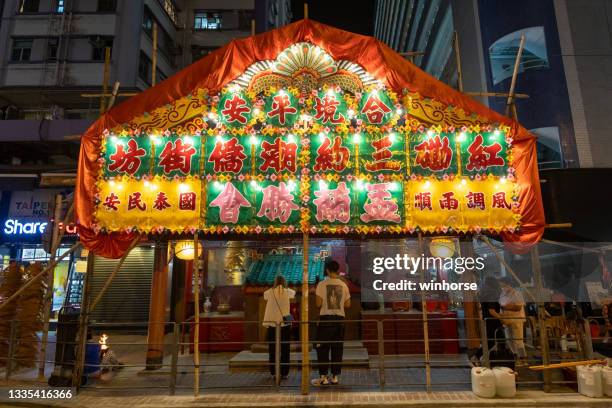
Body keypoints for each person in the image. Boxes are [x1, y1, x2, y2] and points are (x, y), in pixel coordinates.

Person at [312, 259, 350, 386]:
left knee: (322, 348)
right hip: (339, 320)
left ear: (327, 270)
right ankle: (335, 376)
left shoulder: (322, 284)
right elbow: (348, 304)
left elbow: (318, 304)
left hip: (326, 320)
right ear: (337, 270)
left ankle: (323, 377)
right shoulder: (344, 285)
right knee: (337, 348)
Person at [263, 275, 295, 379]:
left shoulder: (269, 292)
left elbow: (264, 296)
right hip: (284, 324)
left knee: (273, 349)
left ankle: (274, 372)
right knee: (285, 349)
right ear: (284, 282)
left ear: (275, 282)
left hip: (272, 325)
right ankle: (284, 372)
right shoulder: (288, 292)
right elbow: (294, 294)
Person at [472, 276, 504, 366]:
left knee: (491, 341)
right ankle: (501, 361)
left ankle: (480, 358)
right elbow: (492, 310)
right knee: (498, 340)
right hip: (493, 320)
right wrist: (502, 318)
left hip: (487, 319)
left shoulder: (484, 292)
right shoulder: (492, 293)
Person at [498, 277, 527, 361]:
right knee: (509, 339)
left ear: (508, 284)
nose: (502, 287)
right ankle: (514, 354)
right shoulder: (502, 294)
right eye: (501, 286)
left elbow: (518, 307)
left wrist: (506, 307)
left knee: (518, 340)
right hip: (507, 320)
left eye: (503, 285)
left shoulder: (516, 293)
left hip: (516, 319)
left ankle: (522, 357)